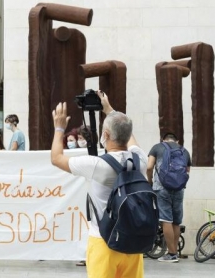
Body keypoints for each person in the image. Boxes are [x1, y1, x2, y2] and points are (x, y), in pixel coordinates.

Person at [50, 91, 146, 278]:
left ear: (106, 134)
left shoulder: (96, 165)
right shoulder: (139, 159)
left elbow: (56, 158)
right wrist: (109, 109)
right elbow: (129, 136)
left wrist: (59, 128)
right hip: (133, 244)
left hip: (104, 242)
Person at [147, 132, 191, 263]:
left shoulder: (157, 147)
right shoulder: (185, 151)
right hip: (179, 189)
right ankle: (174, 252)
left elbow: (149, 167)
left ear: (163, 139)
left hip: (162, 188)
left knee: (166, 219)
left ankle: (171, 254)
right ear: (177, 141)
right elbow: (187, 172)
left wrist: (149, 181)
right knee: (176, 221)